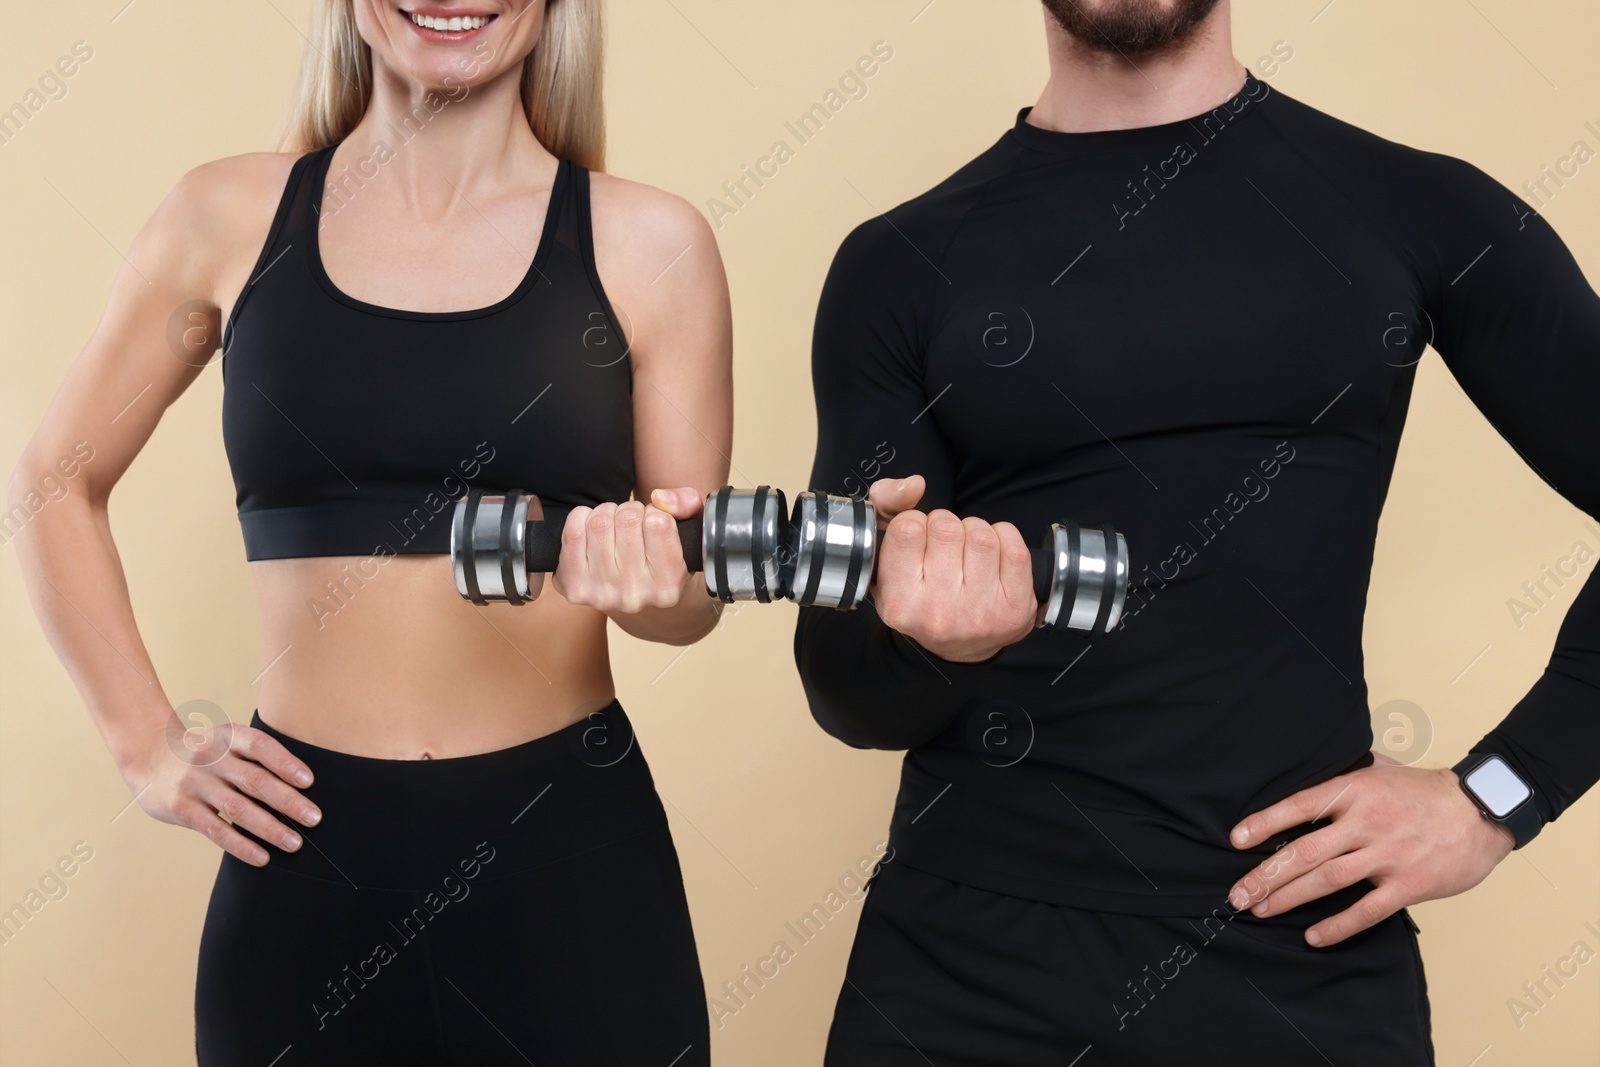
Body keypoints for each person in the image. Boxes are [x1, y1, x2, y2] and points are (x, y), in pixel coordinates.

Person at [794, 1, 1600, 1063]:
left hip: (1296, 955)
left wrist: (1498, 793)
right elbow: (846, 690)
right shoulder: (900, 261)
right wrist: (926, 638)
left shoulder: (1415, 208)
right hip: (963, 964)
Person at [8, 2, 731, 1063]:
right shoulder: (225, 216)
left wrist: (659, 584)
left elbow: (693, 600)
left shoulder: (651, 243)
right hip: (304, 863)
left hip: (569, 869)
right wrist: (145, 744)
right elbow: (50, 479)